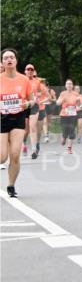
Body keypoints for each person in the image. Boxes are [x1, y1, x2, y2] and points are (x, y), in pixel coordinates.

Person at [0, 49, 31, 197]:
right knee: (2, 157)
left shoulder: (24, 79)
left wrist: (28, 104)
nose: (9, 60)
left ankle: (11, 186)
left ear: (16, 60)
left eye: (12, 57)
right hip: (2, 119)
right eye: (6, 58)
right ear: (2, 62)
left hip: (18, 117)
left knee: (15, 154)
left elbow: (32, 99)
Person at [23, 64, 48, 159]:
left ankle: (34, 150)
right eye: (28, 69)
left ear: (33, 71)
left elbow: (42, 92)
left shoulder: (37, 82)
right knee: (26, 130)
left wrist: (38, 96)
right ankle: (24, 142)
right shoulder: (21, 80)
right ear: (25, 71)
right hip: (24, 106)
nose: (29, 71)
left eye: (31, 69)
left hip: (34, 105)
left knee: (33, 128)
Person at [56, 79, 80, 154]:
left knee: (72, 131)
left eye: (70, 84)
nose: (69, 85)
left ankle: (69, 148)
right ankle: (64, 137)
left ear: (72, 86)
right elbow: (58, 103)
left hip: (73, 115)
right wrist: (59, 101)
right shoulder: (63, 93)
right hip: (64, 114)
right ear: (65, 86)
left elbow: (79, 104)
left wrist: (78, 104)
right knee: (65, 129)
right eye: (67, 84)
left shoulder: (76, 94)